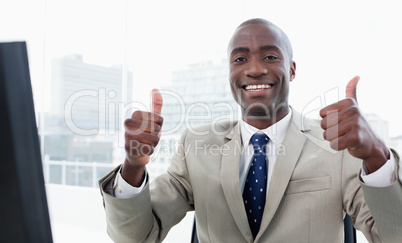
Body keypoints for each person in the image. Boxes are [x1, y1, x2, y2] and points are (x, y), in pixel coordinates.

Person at [99, 18, 402, 242]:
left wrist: (376, 156)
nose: (254, 68)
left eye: (270, 56)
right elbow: (136, 236)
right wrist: (132, 166)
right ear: (230, 73)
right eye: (240, 59)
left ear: (292, 70)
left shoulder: (335, 145)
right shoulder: (197, 145)